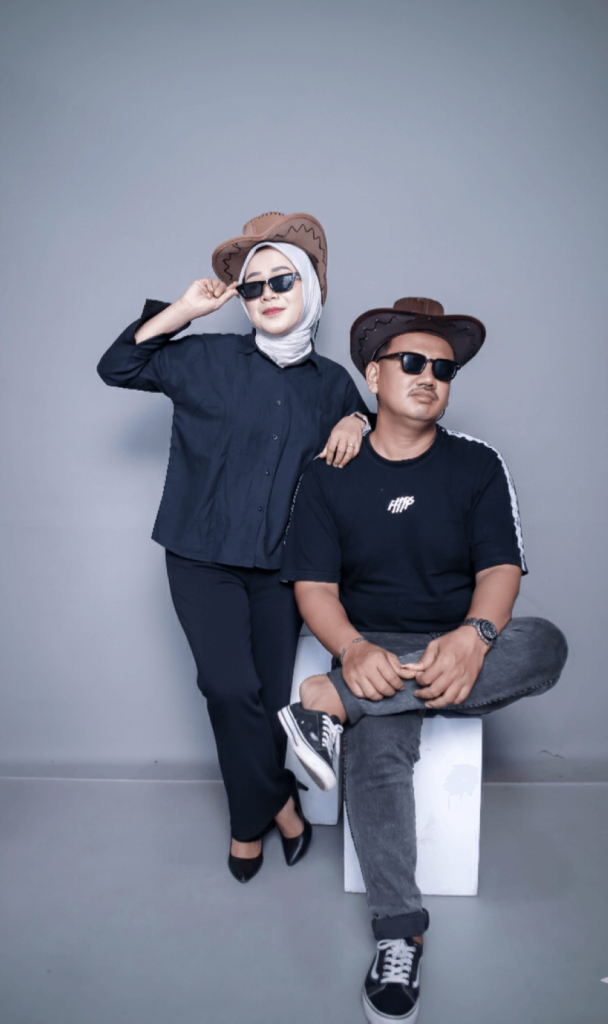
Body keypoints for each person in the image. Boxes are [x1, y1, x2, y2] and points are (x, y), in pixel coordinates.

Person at [278, 297, 568, 1024]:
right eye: (411, 362)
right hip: (368, 643)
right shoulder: (328, 472)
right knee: (376, 753)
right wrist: (353, 650)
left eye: (443, 369)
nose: (429, 376)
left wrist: (476, 635)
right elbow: (314, 589)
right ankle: (398, 934)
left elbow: (501, 569)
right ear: (374, 376)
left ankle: (330, 703)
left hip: (459, 641)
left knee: (545, 643)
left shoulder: (477, 464)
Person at [97, 212, 371, 883]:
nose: (267, 294)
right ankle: (263, 814)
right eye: (252, 286)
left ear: (310, 287)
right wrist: (183, 310)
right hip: (201, 553)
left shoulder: (334, 383)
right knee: (227, 688)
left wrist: (358, 420)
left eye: (282, 280)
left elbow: (372, 433)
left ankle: (262, 807)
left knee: (269, 698)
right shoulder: (205, 357)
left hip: (283, 567)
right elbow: (117, 365)